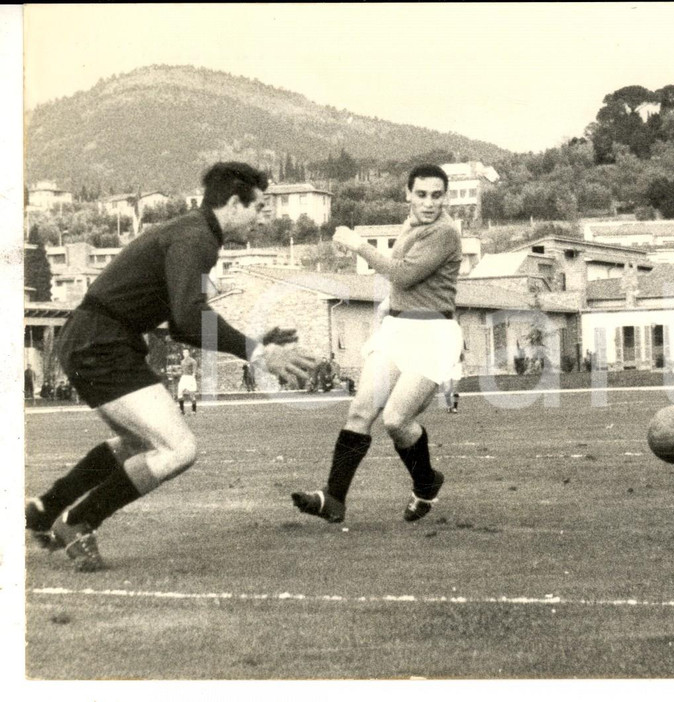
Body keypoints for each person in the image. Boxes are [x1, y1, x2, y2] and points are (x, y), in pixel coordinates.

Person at [25, 162, 316, 571]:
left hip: (96, 340)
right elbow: (189, 319)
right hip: (101, 343)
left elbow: (182, 325)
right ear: (234, 203)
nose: (262, 217)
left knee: (139, 444)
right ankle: (79, 520)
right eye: (259, 207)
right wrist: (256, 352)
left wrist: (254, 344)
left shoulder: (194, 234)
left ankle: (45, 508)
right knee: (178, 449)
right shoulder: (197, 238)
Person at [293, 164, 463, 524]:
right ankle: (333, 499)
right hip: (399, 328)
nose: (429, 202)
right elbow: (403, 276)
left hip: (433, 334)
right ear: (408, 194)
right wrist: (392, 302)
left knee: (397, 420)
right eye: (421, 194)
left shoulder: (445, 231)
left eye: (436, 195)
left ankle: (426, 481)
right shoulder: (411, 225)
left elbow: (402, 272)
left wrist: (359, 246)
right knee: (359, 411)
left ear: (445, 197)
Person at [176, 348, 199, 414]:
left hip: (190, 378)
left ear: (188, 353)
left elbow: (194, 371)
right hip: (183, 378)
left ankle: (194, 410)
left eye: (186, 352)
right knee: (179, 393)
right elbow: (181, 371)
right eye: (184, 353)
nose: (185, 354)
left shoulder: (193, 361)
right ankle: (182, 410)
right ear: (183, 354)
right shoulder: (182, 361)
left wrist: (193, 377)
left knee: (192, 395)